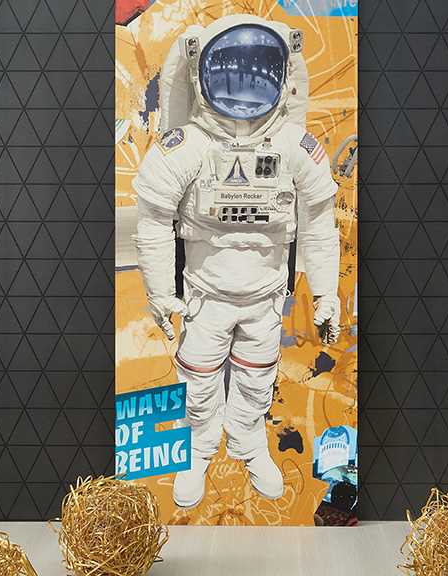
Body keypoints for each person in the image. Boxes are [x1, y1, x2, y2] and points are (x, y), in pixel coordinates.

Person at [132, 14, 340, 509]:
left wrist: (327, 293)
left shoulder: (293, 146)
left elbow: (319, 223)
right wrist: (161, 294)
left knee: (257, 374)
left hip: (265, 297)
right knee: (198, 377)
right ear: (201, 72)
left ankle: (247, 440)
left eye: (258, 69)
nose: (244, 85)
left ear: (282, 76)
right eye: (230, 70)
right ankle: (199, 447)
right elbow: (154, 222)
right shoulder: (188, 147)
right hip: (206, 296)